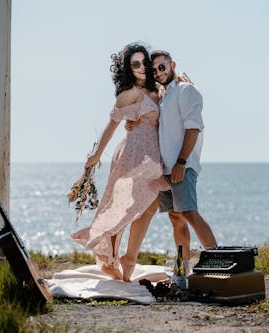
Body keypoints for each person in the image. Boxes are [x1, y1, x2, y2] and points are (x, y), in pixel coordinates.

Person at [70, 43, 168, 282]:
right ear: (128, 68)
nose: (142, 67)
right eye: (136, 64)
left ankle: (125, 258)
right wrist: (96, 155)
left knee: (146, 206)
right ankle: (114, 259)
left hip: (151, 158)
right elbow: (112, 123)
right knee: (121, 209)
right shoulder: (129, 93)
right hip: (132, 155)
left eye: (144, 62)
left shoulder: (157, 87)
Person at [130, 50, 218, 265]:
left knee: (189, 212)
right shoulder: (164, 95)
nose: (159, 72)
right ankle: (182, 270)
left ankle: (220, 261)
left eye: (162, 67)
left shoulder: (185, 90)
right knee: (176, 218)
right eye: (155, 70)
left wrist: (181, 162)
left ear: (172, 65)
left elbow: (193, 128)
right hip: (165, 169)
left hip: (182, 166)